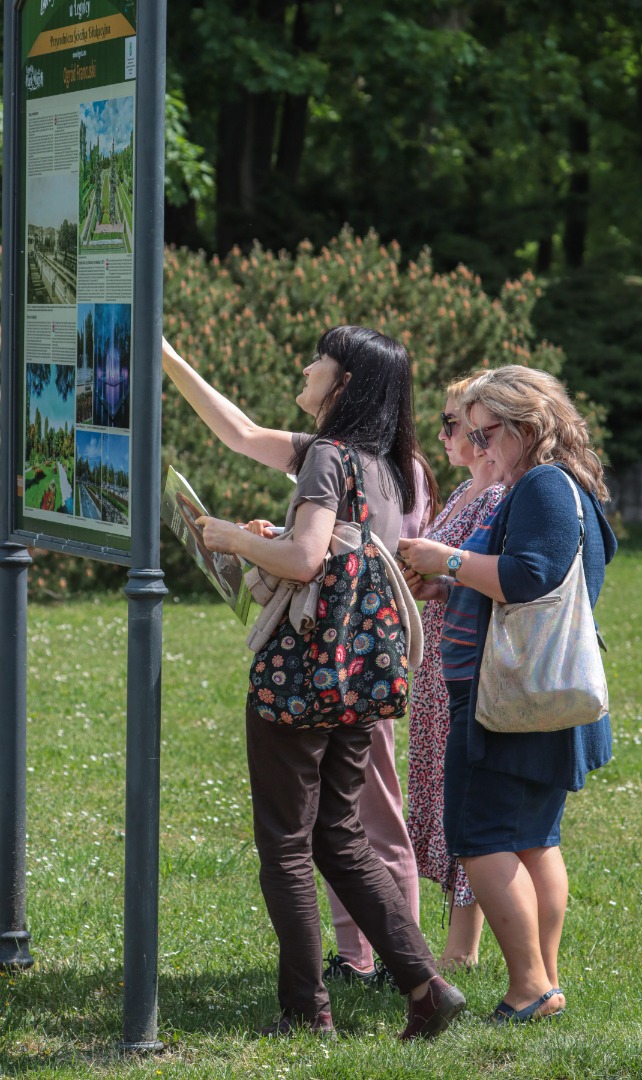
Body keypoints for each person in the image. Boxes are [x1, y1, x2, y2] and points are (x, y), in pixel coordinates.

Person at [162, 327, 466, 1040]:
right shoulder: (392, 467)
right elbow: (239, 433)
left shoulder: (327, 458)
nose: (307, 365)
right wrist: (169, 356)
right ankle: (426, 986)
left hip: (302, 678)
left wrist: (232, 537)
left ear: (346, 383)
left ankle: (307, 1015)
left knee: (287, 846)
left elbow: (302, 560)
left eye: (319, 359)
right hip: (362, 678)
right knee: (341, 838)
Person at [398, 365, 616, 1024]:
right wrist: (451, 585)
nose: (478, 443)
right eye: (469, 431)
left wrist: (447, 562)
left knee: (482, 836)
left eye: (486, 431)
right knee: (532, 840)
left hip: (510, 702)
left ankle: (530, 986)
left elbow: (529, 577)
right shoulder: (561, 484)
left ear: (526, 427)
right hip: (533, 697)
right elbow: (522, 581)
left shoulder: (544, 486)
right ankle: (541, 981)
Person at [322, 452, 438, 987]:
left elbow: (378, 556)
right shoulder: (346, 457)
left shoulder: (392, 466)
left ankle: (402, 956)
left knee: (375, 810)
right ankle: (355, 955)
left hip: (364, 658)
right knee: (336, 816)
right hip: (334, 656)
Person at [404, 376, 505, 972]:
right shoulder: (467, 491)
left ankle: (461, 951)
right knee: (440, 795)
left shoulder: (497, 496)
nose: (444, 434)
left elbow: (487, 575)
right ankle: (450, 943)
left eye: (454, 423)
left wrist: (438, 573)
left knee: (464, 798)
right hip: (439, 661)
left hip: (467, 661)